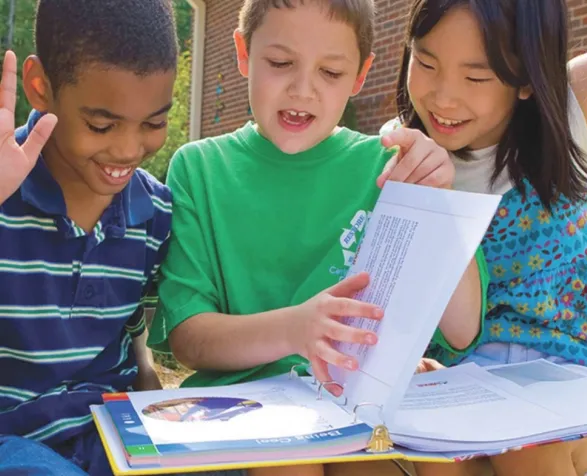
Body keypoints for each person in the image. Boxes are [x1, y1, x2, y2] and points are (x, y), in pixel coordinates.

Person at [148, 0, 489, 475]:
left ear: (360, 75)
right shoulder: (201, 168)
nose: (302, 89)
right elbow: (188, 340)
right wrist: (295, 329)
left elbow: (462, 328)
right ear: (244, 53)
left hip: (359, 414)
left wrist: (439, 201)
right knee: (288, 461)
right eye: (281, 63)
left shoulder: (388, 166)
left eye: (330, 72)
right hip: (246, 413)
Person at [379, 1, 587, 475]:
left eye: (476, 77)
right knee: (433, 458)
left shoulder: (564, 109)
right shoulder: (404, 157)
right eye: (425, 63)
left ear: (527, 77)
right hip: (459, 383)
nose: (444, 97)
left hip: (571, 374)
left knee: (529, 446)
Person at [0, 0, 178, 474]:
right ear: (41, 87)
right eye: (101, 125)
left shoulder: (155, 212)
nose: (127, 149)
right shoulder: (3, 187)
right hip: (13, 438)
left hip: (114, 430)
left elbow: (135, 335)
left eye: (154, 123)